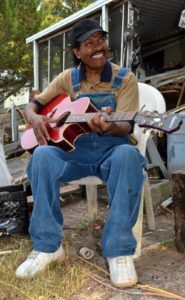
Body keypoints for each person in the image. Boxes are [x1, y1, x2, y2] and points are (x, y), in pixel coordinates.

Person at [16, 18, 145, 288]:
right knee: (41, 156)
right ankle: (48, 247)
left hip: (112, 149)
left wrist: (109, 126)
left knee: (129, 156)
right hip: (72, 152)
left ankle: (119, 250)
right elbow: (33, 105)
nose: (98, 47)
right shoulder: (67, 79)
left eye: (101, 40)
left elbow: (127, 125)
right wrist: (36, 118)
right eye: (90, 43)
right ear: (77, 52)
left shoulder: (124, 78)